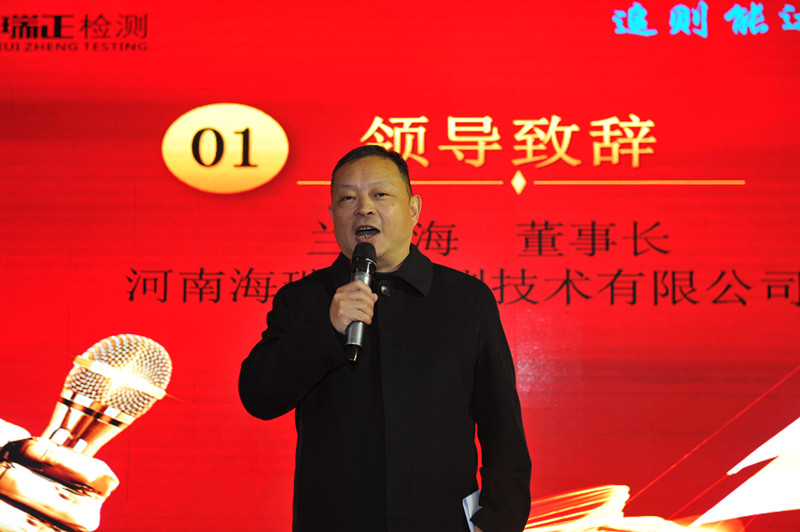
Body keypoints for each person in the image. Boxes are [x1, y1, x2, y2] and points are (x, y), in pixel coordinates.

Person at [238, 145, 531, 532]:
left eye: (380, 194)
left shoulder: (465, 300)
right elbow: (258, 395)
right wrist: (327, 329)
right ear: (332, 215)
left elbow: (503, 432)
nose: (364, 208)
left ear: (414, 209)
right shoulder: (304, 300)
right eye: (347, 198)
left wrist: (495, 524)